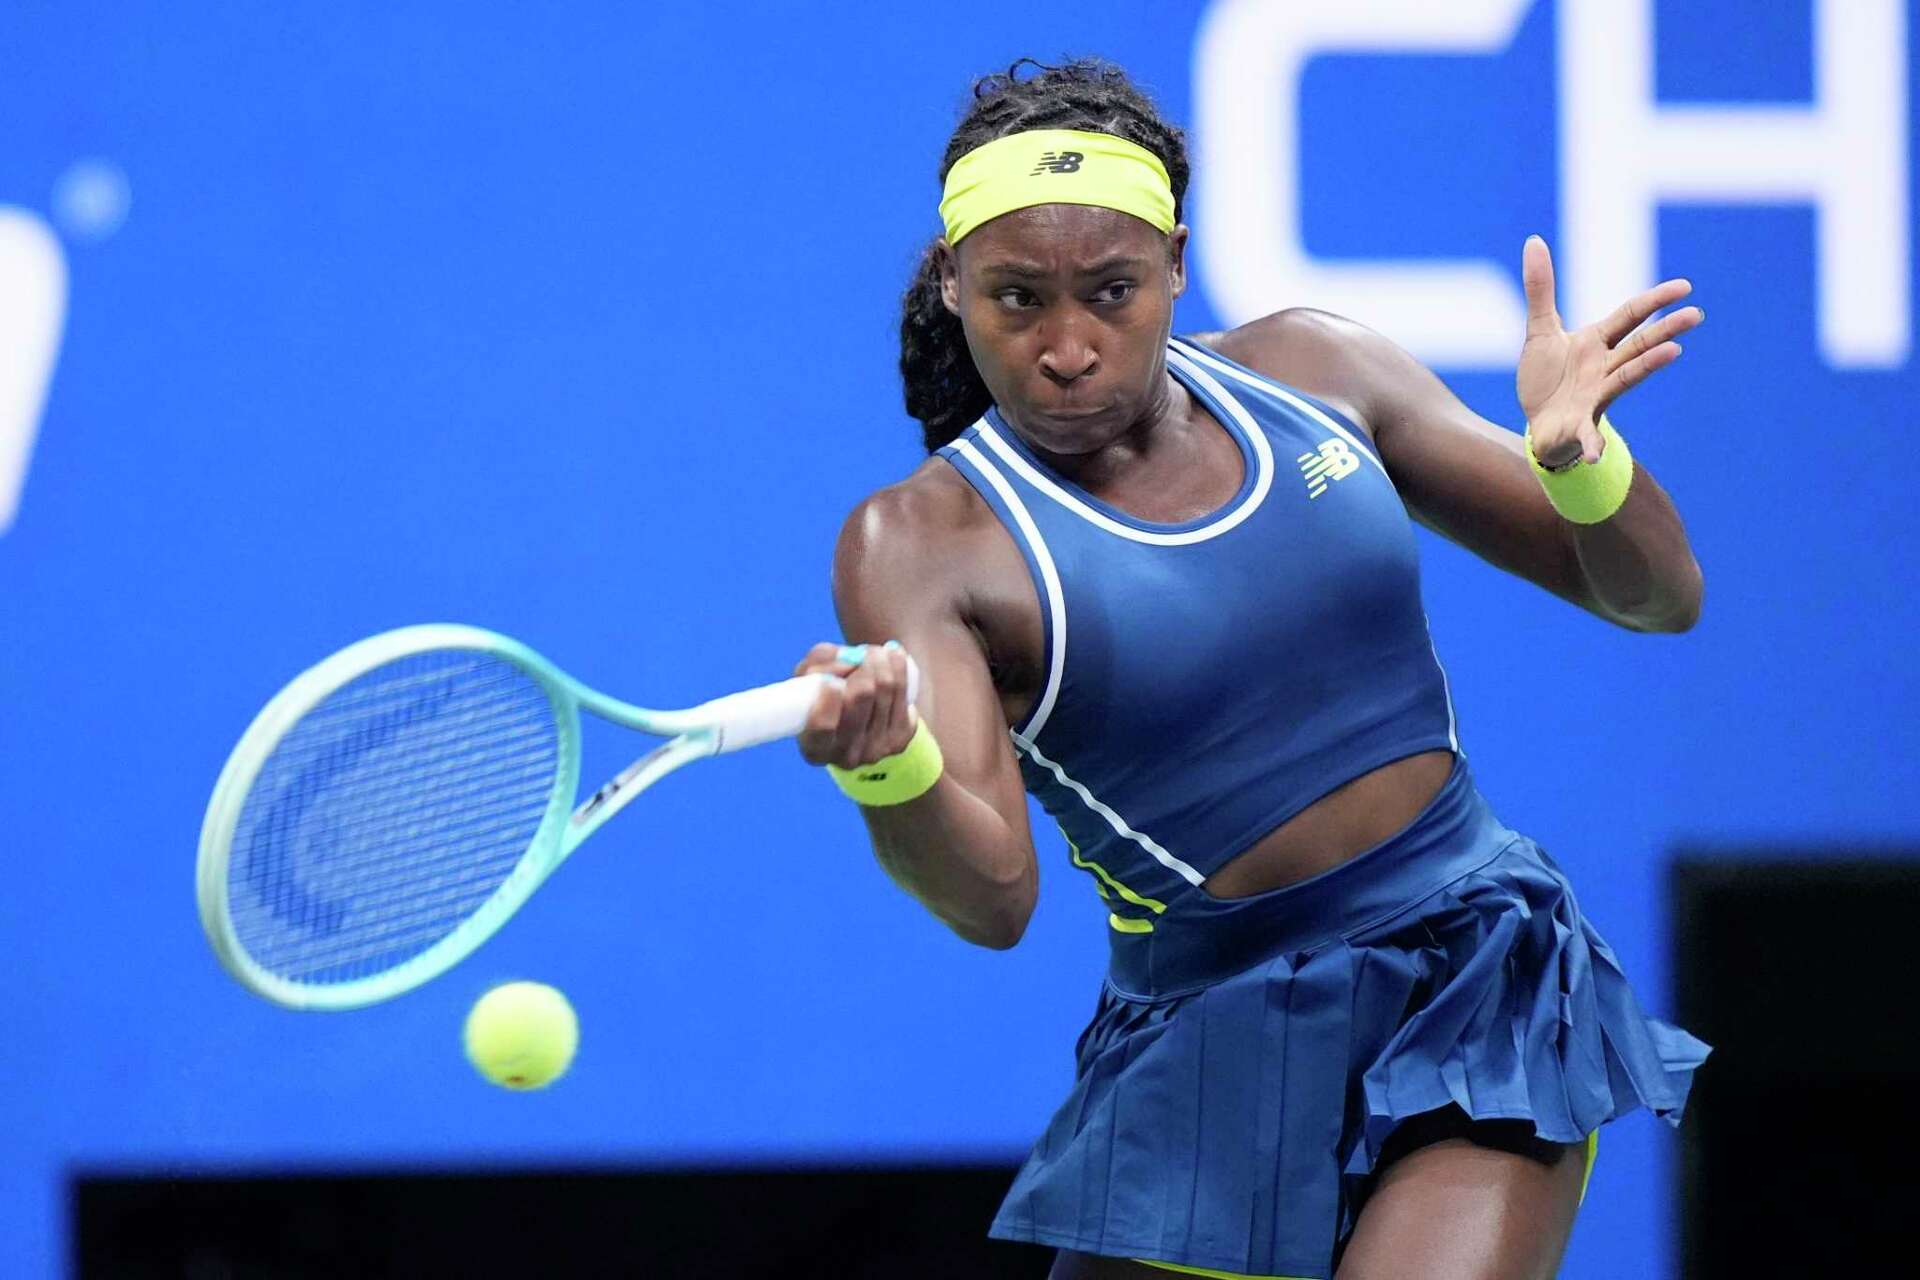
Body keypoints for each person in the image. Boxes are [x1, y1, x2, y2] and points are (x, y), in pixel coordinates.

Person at [791, 57, 1710, 1280]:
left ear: (1176, 261)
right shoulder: (919, 541)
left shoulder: (1316, 372)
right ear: (953, 281)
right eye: (1017, 298)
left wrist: (1578, 462)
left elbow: (1657, 595)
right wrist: (890, 771)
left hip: (1476, 977)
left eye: (1112, 290)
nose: (1067, 348)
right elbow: (994, 896)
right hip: (1208, 1044)